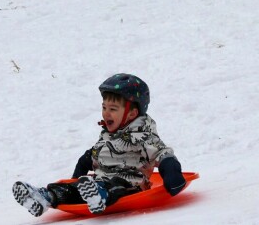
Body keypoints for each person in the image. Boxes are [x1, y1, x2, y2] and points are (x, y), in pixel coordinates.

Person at [12, 73, 187, 217]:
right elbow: (95, 155)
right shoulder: (107, 135)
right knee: (72, 189)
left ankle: (100, 195)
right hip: (98, 182)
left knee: (116, 186)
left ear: (132, 113)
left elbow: (163, 154)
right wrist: (80, 170)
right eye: (104, 107)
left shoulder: (144, 136)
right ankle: (45, 197)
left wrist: (172, 173)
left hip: (131, 185)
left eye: (112, 109)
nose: (106, 113)